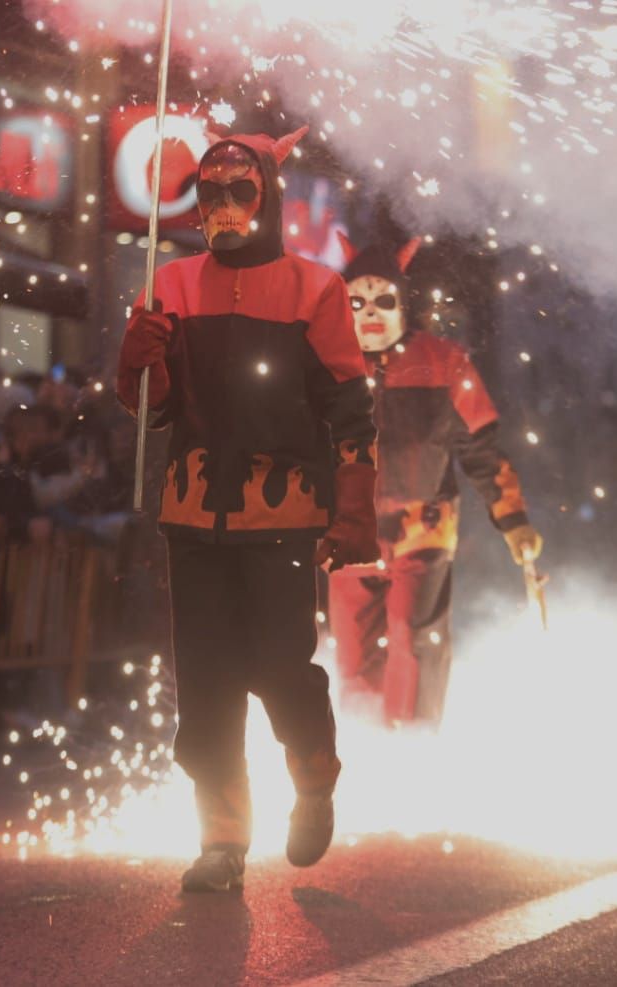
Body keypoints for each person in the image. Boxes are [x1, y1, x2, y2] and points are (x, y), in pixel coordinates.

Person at [116, 126, 379, 892]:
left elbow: (350, 408)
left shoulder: (314, 287)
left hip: (283, 515)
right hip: (192, 514)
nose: (222, 204)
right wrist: (137, 359)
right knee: (204, 682)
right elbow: (151, 413)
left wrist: (353, 507)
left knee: (278, 668)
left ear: (267, 195)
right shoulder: (170, 282)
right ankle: (222, 842)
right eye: (210, 191)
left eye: (239, 190)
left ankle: (313, 771)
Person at [327, 234, 542, 728]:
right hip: (346, 530)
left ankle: (412, 749)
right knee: (354, 657)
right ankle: (363, 749)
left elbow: (482, 452)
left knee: (413, 638)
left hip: (421, 527)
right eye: (356, 303)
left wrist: (513, 519)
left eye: (383, 301)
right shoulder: (323, 366)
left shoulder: (445, 362)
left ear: (405, 304)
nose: (370, 314)